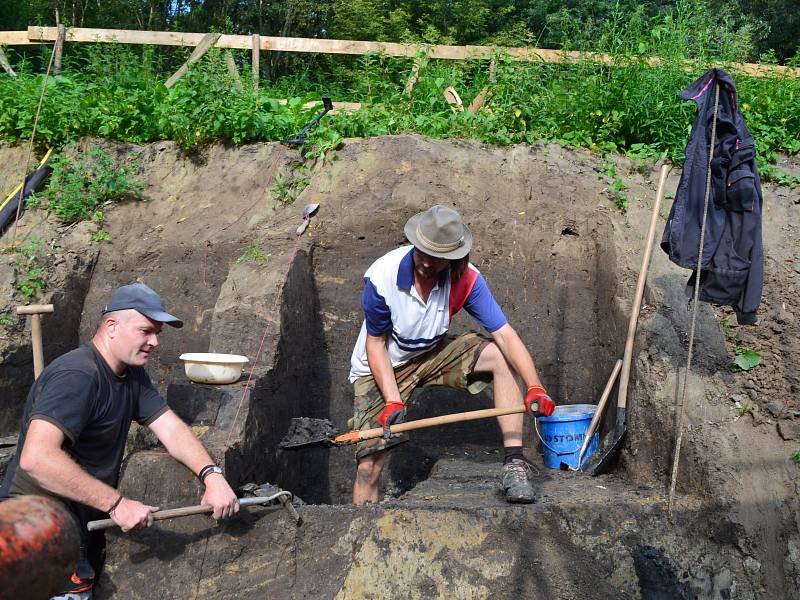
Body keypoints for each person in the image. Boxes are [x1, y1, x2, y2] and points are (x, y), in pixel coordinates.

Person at [0, 283, 239, 600]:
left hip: (72, 530)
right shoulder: (78, 375)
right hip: (32, 534)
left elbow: (171, 429)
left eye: (157, 333)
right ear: (111, 327)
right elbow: (37, 458)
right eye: (146, 331)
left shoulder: (132, 374)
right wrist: (117, 504)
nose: (154, 341)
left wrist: (211, 475)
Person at [348, 204, 556, 506]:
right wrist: (393, 399)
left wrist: (535, 385)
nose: (428, 264)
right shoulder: (383, 277)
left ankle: (514, 464)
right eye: (423, 253)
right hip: (383, 363)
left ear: (454, 257)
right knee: (369, 466)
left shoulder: (467, 280)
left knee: (499, 355)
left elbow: (505, 335)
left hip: (432, 352)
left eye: (438, 258)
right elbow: (376, 344)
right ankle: (362, 529)